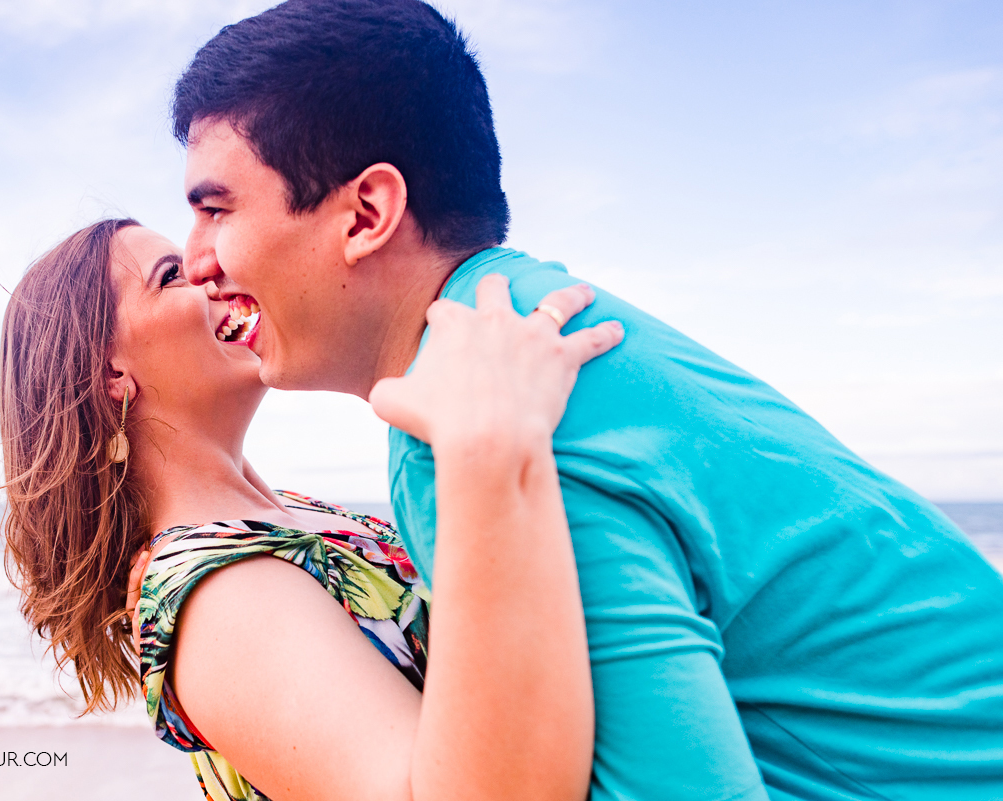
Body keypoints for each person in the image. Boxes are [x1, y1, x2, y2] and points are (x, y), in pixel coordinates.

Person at [166, 1, 1003, 799]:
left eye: (216, 209)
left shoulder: (487, 407)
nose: (198, 257)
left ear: (367, 213)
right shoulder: (528, 323)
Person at [0, 217, 624, 800]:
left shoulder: (290, 519)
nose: (211, 270)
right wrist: (497, 442)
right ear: (110, 374)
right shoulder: (221, 596)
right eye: (172, 277)